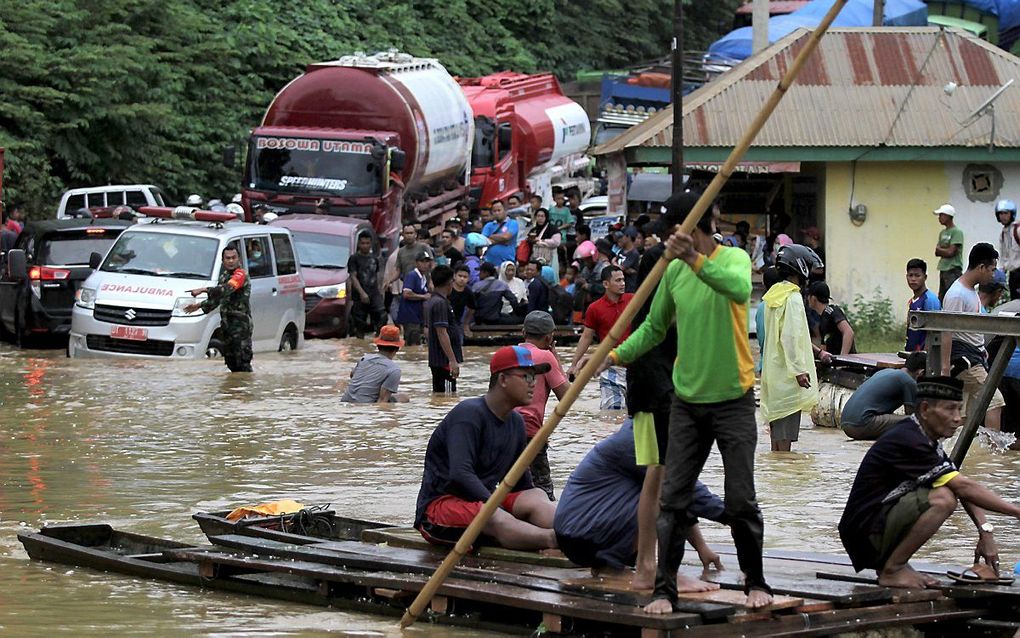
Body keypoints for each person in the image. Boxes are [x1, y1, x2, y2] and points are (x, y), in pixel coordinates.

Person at [605, 191, 773, 611]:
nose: (667, 240)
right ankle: (664, 591)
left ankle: (756, 583)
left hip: (733, 399)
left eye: (671, 231)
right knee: (673, 499)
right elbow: (652, 330)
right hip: (686, 403)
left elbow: (737, 289)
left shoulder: (730, 259)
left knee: (740, 499)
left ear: (690, 229)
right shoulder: (673, 272)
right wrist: (612, 355)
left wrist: (695, 259)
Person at [839, 376, 1020, 589]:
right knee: (943, 499)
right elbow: (964, 487)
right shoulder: (910, 440)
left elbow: (961, 485)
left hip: (871, 528)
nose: (957, 418)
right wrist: (1017, 512)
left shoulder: (923, 437)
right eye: (950, 409)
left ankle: (896, 564)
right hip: (865, 534)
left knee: (947, 489)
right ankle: (892, 569)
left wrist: (985, 531)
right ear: (925, 409)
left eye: (959, 409)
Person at [413, 346, 558, 549]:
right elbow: (460, 474)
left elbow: (520, 484)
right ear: (503, 380)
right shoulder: (468, 415)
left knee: (536, 496)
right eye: (526, 376)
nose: (533, 383)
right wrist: (495, 505)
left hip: (485, 502)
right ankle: (555, 540)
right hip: (440, 509)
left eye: (534, 377)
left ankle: (576, 529)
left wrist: (529, 505)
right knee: (491, 514)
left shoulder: (516, 422)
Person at [554, 419, 725, 587]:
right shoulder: (638, 438)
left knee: (663, 490)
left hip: (581, 534)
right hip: (585, 535)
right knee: (663, 491)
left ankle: (610, 569)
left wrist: (701, 547)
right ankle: (622, 572)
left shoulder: (648, 431)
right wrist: (741, 517)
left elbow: (679, 494)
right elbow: (687, 491)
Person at [761, 244, 823, 452]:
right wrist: (798, 370)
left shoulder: (773, 296)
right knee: (785, 441)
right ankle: (784, 478)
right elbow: (790, 336)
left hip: (773, 374)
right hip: (788, 376)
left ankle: (778, 477)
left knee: (776, 438)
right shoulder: (793, 298)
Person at [940, 242, 1005, 431]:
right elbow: (946, 329)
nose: (992, 275)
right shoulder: (957, 294)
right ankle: (994, 456)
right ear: (981, 267)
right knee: (994, 401)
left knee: (963, 416)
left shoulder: (971, 292)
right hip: (965, 361)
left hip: (975, 357)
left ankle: (957, 454)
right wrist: (945, 370)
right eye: (991, 270)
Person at [515, 311, 570, 500]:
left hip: (502, 428)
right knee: (543, 490)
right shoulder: (545, 357)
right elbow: (567, 396)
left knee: (511, 489)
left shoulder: (509, 354)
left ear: (523, 332)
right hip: (530, 431)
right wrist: (555, 357)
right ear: (549, 337)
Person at [569, 266, 633, 411]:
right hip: (610, 366)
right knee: (611, 415)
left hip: (635, 366)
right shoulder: (595, 308)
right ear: (606, 284)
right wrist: (573, 364)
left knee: (636, 416)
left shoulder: (633, 301)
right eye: (618, 280)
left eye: (623, 279)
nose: (622, 283)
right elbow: (586, 337)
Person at [183, 246, 252, 372]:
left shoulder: (241, 275)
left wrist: (203, 289)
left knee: (242, 364)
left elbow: (227, 289)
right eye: (227, 258)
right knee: (231, 363)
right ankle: (234, 391)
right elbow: (219, 299)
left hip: (240, 327)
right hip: (227, 326)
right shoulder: (224, 276)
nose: (231, 261)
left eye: (233, 258)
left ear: (238, 259)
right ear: (223, 260)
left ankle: (244, 391)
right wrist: (198, 306)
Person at [840, 352, 927, 440]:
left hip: (846, 424)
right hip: (861, 424)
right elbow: (912, 414)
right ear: (921, 372)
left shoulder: (884, 372)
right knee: (916, 422)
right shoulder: (909, 381)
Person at [341, 325, 408, 403]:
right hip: (365, 406)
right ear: (397, 348)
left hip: (345, 401)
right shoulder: (394, 370)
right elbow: (382, 402)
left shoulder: (364, 358)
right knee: (404, 397)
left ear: (378, 345)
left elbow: (352, 375)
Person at [425, 265, 463, 394]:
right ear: (449, 283)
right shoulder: (440, 303)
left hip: (438, 359)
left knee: (440, 396)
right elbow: (442, 332)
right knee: (447, 397)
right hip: (443, 360)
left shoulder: (433, 301)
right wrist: (452, 360)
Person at [347, 233, 385, 338]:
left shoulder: (374, 259)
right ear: (359, 244)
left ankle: (378, 340)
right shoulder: (354, 259)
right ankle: (360, 343)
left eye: (367, 243)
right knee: (359, 323)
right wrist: (362, 293)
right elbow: (353, 277)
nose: (365, 246)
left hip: (374, 293)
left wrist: (380, 291)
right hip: (359, 295)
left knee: (382, 316)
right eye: (363, 243)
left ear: (371, 244)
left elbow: (377, 276)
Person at [808, 281, 856, 356]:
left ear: (813, 298)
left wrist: (843, 358)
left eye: (808, 296)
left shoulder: (831, 311)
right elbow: (824, 346)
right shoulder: (822, 319)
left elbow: (848, 332)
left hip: (847, 365)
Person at [396, 250, 433, 345]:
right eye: (422, 262)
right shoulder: (412, 275)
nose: (425, 264)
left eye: (427, 262)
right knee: (412, 343)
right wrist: (423, 296)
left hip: (417, 316)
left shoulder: (424, 277)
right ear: (417, 263)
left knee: (417, 343)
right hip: (410, 316)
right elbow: (407, 294)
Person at [905, 258, 942, 352]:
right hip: (911, 354)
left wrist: (924, 357)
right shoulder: (913, 301)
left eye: (917, 276)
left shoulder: (929, 300)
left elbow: (933, 333)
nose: (913, 279)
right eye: (910, 275)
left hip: (923, 358)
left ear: (925, 277)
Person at [755, 266, 786, 374]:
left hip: (765, 364)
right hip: (782, 367)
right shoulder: (786, 304)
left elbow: (762, 337)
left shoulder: (762, 306)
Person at [933, 203, 964, 302]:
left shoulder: (957, 232)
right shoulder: (942, 233)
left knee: (952, 296)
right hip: (943, 268)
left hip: (953, 269)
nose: (939, 218)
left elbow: (951, 252)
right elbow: (936, 251)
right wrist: (943, 251)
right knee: (942, 296)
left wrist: (942, 250)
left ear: (948, 216)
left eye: (941, 215)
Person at [995, 199, 1020, 301]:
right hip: (1012, 275)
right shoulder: (1003, 233)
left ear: (1011, 214)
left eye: (1006, 213)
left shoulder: (1017, 230)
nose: (1003, 216)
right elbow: (1003, 256)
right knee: (1014, 302)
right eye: (1000, 213)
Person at [482, 200, 519, 266]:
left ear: (505, 210)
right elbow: (483, 241)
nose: (497, 213)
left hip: (507, 262)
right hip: (489, 262)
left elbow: (506, 237)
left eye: (499, 210)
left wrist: (491, 236)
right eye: (494, 211)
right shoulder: (488, 225)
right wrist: (502, 241)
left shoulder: (512, 223)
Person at [528, 208, 561, 276]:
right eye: (538, 216)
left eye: (542, 216)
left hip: (550, 258)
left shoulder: (553, 229)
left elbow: (556, 242)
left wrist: (542, 241)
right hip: (535, 258)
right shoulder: (533, 230)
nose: (540, 218)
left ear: (546, 217)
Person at [449, 264, 476, 337]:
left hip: (457, 323)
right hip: (443, 321)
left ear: (468, 278)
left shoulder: (468, 292)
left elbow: (472, 308)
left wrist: (466, 324)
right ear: (454, 276)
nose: (462, 279)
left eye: (465, 277)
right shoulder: (447, 288)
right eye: (460, 276)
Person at [616, 227, 641, 293]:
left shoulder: (633, 253)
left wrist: (615, 264)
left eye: (623, 236)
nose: (621, 239)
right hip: (620, 285)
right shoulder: (621, 251)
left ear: (628, 237)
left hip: (630, 287)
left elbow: (621, 268)